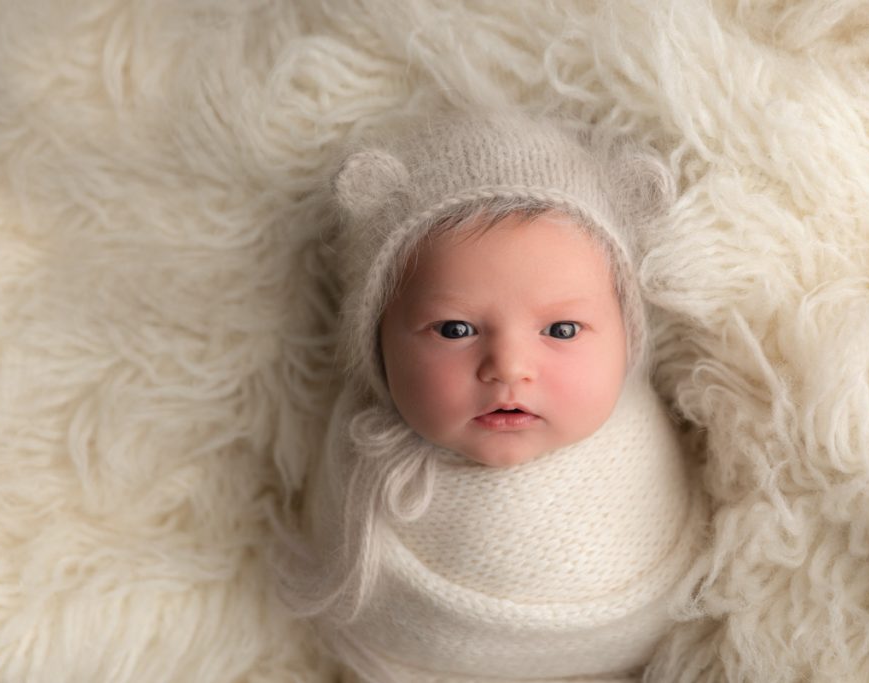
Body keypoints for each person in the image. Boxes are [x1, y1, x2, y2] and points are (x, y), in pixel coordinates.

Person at [273, 112, 711, 683]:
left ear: (627, 340)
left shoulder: (646, 462)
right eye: (455, 330)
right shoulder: (358, 471)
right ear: (379, 345)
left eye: (561, 331)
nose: (508, 367)